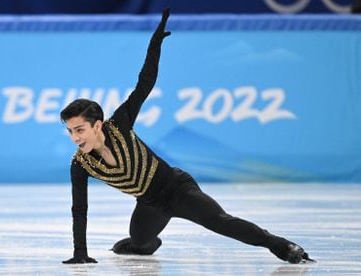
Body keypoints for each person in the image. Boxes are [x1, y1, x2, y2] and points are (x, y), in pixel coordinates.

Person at [60, 8, 314, 265]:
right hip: (149, 203)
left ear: (97, 126)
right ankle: (144, 243)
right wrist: (80, 252)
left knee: (220, 222)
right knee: (138, 244)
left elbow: (144, 84)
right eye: (70, 131)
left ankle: (282, 246)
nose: (75, 138)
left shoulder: (119, 125)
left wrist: (155, 44)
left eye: (79, 130)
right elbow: (79, 210)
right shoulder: (81, 165)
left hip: (177, 188)